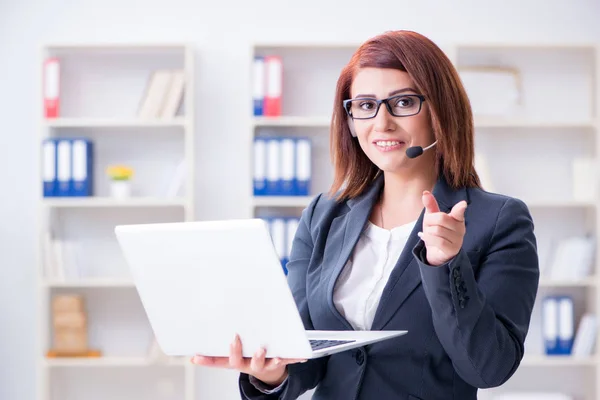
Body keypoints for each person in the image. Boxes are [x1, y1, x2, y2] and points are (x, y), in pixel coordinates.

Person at [191, 30, 540, 400]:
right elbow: (304, 348)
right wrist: (272, 374)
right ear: (351, 120)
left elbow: (488, 367)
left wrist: (445, 265)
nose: (382, 122)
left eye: (403, 102)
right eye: (365, 105)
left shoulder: (499, 220)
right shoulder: (323, 215)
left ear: (441, 111)